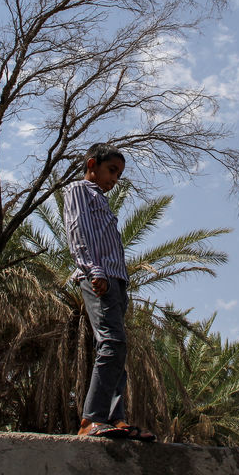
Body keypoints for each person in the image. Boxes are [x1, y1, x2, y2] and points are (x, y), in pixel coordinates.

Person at [64, 143, 156, 441]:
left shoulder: (102, 201)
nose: (114, 180)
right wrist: (95, 270)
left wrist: (116, 279)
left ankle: (116, 420)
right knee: (112, 343)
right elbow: (79, 232)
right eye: (111, 171)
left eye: (118, 175)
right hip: (99, 277)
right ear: (92, 164)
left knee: (117, 348)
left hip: (117, 280)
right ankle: (91, 419)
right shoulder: (79, 190)